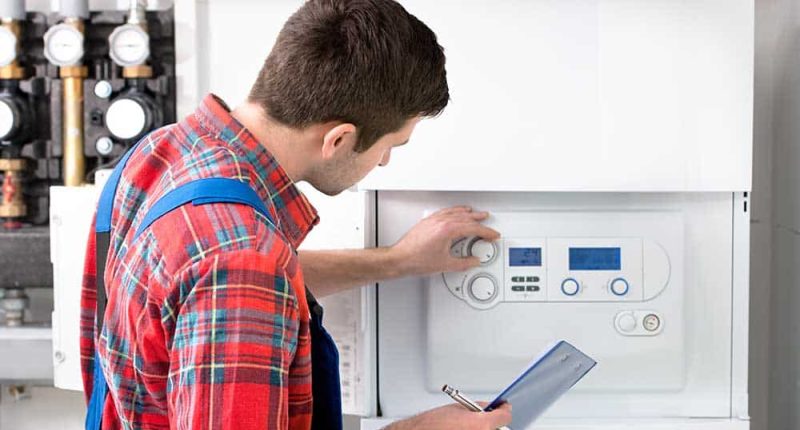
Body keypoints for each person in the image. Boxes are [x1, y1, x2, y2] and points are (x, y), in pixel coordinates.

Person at [79, 0, 511, 429]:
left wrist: (398, 261)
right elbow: (239, 273)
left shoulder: (162, 152)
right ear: (339, 139)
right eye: (390, 146)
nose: (383, 163)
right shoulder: (244, 261)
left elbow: (201, 284)